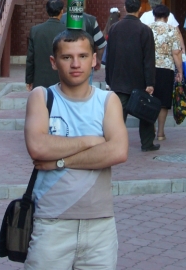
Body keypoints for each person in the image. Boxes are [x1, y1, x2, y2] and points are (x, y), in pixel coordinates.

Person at [24, 29, 128, 270]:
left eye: (82, 56)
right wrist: (91, 140)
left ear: (94, 60)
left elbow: (118, 152)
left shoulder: (107, 100)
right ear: (54, 62)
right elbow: (38, 147)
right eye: (66, 57)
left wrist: (60, 161)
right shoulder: (42, 97)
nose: (75, 64)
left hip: (100, 225)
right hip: (51, 222)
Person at [106, 0, 158, 152]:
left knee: (118, 116)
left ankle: (115, 144)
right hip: (139, 80)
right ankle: (147, 143)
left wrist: (109, 79)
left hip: (119, 79)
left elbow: (110, 56)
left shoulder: (114, 28)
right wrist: (150, 82)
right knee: (145, 113)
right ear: (140, 9)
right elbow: (149, 59)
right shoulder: (145, 30)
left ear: (124, 8)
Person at [150, 5, 183, 141]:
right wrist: (180, 71)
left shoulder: (147, 28)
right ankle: (161, 133)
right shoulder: (172, 30)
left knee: (149, 98)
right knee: (163, 101)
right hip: (166, 68)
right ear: (167, 17)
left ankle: (150, 127)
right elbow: (176, 52)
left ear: (154, 16)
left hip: (149, 68)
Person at [26, 0, 66, 90]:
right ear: (61, 11)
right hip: (62, 78)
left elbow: (30, 58)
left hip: (40, 79)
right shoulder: (67, 31)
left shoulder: (35, 30)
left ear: (47, 11)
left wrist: (29, 80)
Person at [61, 9, 106, 82]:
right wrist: (98, 59)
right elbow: (101, 43)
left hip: (65, 65)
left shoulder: (61, 19)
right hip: (86, 64)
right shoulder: (91, 20)